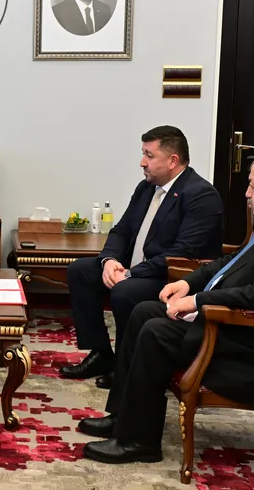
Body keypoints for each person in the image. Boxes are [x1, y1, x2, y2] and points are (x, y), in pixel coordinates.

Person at [79, 152, 254, 465]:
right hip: (242, 330)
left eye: (252, 186)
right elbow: (232, 262)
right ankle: (123, 417)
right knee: (144, 311)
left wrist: (197, 301)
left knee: (157, 330)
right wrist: (187, 283)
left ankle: (139, 442)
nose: (246, 194)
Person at [61, 126, 223, 389]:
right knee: (80, 271)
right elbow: (122, 230)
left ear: (172, 160)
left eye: (149, 155)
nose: (142, 162)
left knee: (125, 291)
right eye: (143, 153)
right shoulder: (147, 187)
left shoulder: (201, 195)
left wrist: (130, 274)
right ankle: (101, 353)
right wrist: (109, 261)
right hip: (135, 268)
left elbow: (183, 253)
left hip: (171, 278)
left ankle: (127, 365)